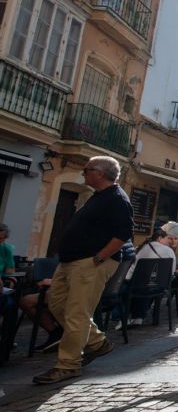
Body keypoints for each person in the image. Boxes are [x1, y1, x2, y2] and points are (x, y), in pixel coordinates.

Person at [33, 156, 134, 385]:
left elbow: (123, 233)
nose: (83, 173)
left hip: (90, 263)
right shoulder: (97, 197)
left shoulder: (117, 198)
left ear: (99, 172)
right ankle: (97, 341)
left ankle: (68, 364)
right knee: (57, 303)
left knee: (77, 313)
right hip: (70, 261)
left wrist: (99, 258)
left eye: (87, 170)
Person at [124, 228, 177, 326]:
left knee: (125, 288)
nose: (170, 241)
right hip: (160, 287)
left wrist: (126, 279)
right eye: (168, 238)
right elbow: (172, 271)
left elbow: (133, 269)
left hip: (139, 286)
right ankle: (138, 317)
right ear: (160, 238)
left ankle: (123, 317)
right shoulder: (170, 251)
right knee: (148, 285)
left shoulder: (142, 249)